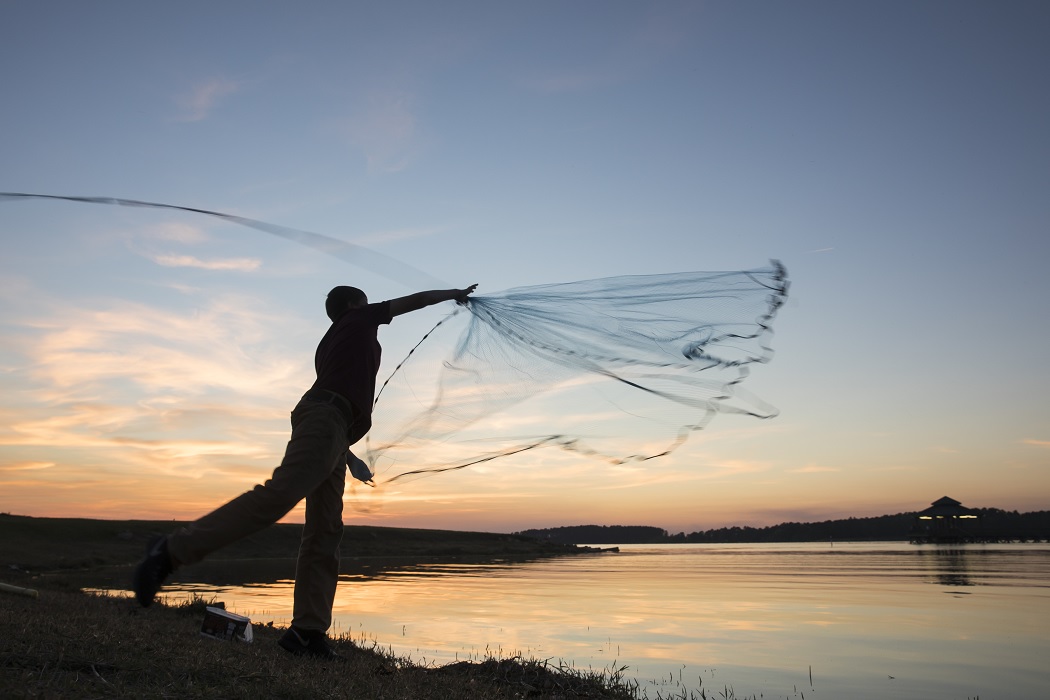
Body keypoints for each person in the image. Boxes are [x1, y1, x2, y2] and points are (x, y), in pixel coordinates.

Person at [133, 283, 477, 658]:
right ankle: (169, 551)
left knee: (325, 530)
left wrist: (347, 455)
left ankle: (306, 632)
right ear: (351, 305)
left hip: (334, 427)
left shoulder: (335, 340)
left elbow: (333, 400)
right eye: (366, 301)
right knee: (279, 494)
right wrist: (451, 292)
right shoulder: (358, 318)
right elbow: (411, 302)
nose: (375, 308)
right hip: (326, 420)